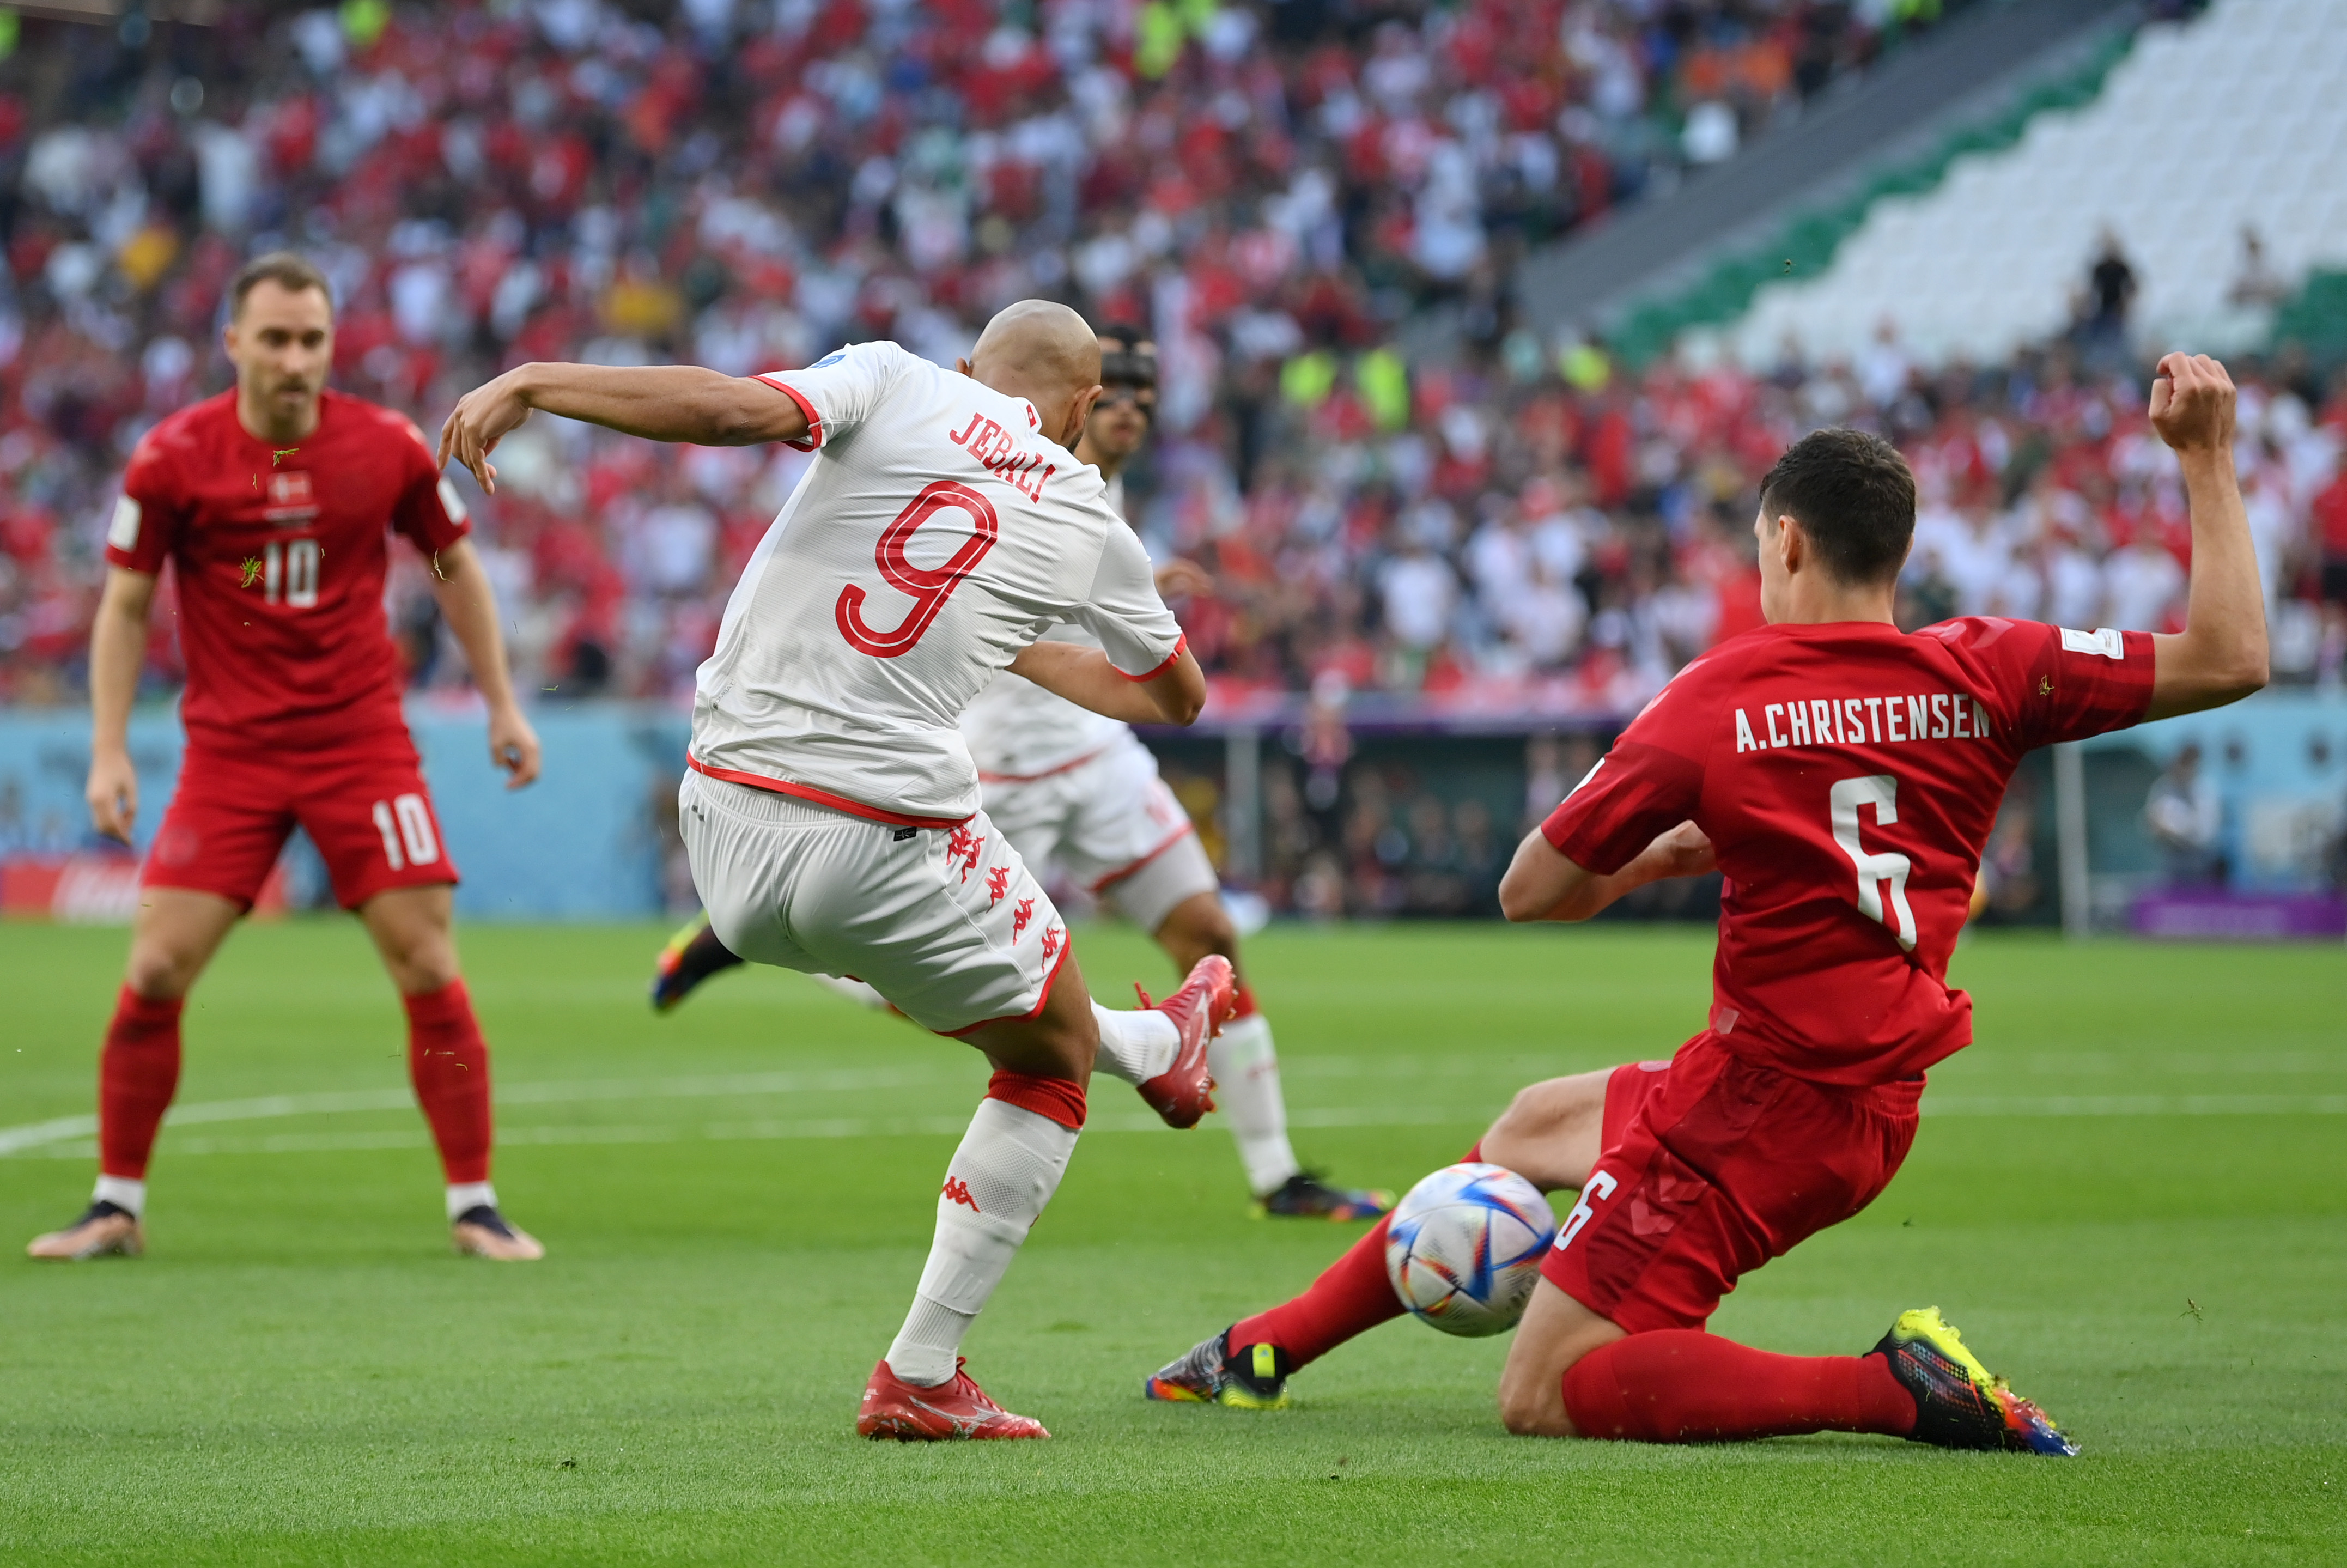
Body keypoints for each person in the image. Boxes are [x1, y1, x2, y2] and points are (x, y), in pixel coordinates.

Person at [1146, 354, 2267, 1454]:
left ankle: (1887, 1388)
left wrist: (1653, 860)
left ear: (1784, 541)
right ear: (1899, 550)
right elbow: (2230, 656)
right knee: (1534, 1124)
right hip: (1866, 1095)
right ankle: (1264, 1349)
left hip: (1769, 1100)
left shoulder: (1721, 696)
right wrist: (2207, 457)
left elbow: (1532, 890)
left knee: (1547, 1388)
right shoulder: (1987, 667)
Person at [437, 301, 1234, 1441]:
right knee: (1051, 1062)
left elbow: (729, 407)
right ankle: (922, 1367)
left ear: (972, 367)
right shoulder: (1086, 513)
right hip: (878, 832)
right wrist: (1013, 634)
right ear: (1075, 408)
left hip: (720, 829)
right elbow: (1177, 696)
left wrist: (536, 378)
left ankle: (1159, 1048)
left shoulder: (898, 375)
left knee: (1030, 1017)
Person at [647, 328, 1389, 1222]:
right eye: (1111, 398)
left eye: (1142, 407)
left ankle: (1278, 1176)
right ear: (1073, 402)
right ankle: (736, 937)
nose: (1125, 417)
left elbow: (1137, 642)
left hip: (1104, 760)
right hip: (999, 772)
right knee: (928, 987)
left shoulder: (1097, 510)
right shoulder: (989, 471)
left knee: (1210, 933)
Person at [27, 253, 548, 1264]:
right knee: (158, 963)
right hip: (230, 753)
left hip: (361, 745)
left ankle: (476, 1203)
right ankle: (115, 1204)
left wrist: (501, 703)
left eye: (312, 339)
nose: (296, 358)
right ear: (233, 344)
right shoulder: (172, 458)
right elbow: (125, 605)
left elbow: (455, 566)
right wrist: (106, 750)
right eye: (275, 338)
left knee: (428, 959)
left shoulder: (385, 447)